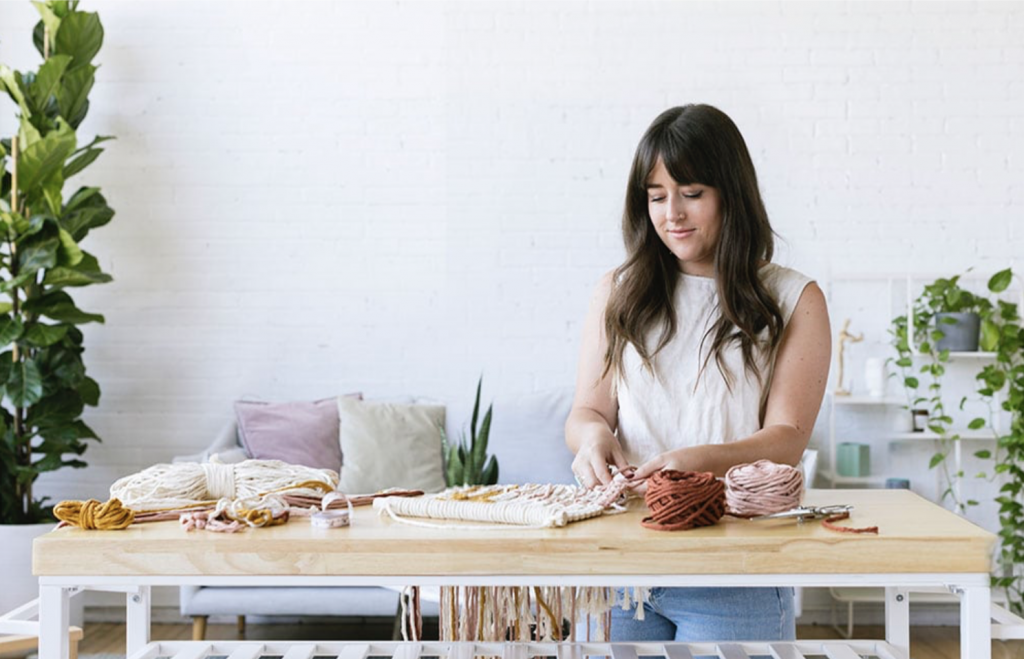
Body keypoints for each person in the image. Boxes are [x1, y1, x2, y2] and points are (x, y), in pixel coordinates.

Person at [564, 104, 831, 643]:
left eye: (691, 193)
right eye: (657, 196)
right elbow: (588, 411)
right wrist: (592, 439)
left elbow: (786, 440)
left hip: (736, 567)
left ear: (731, 193)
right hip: (624, 560)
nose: (672, 215)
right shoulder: (618, 291)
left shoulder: (792, 299)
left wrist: (694, 464)